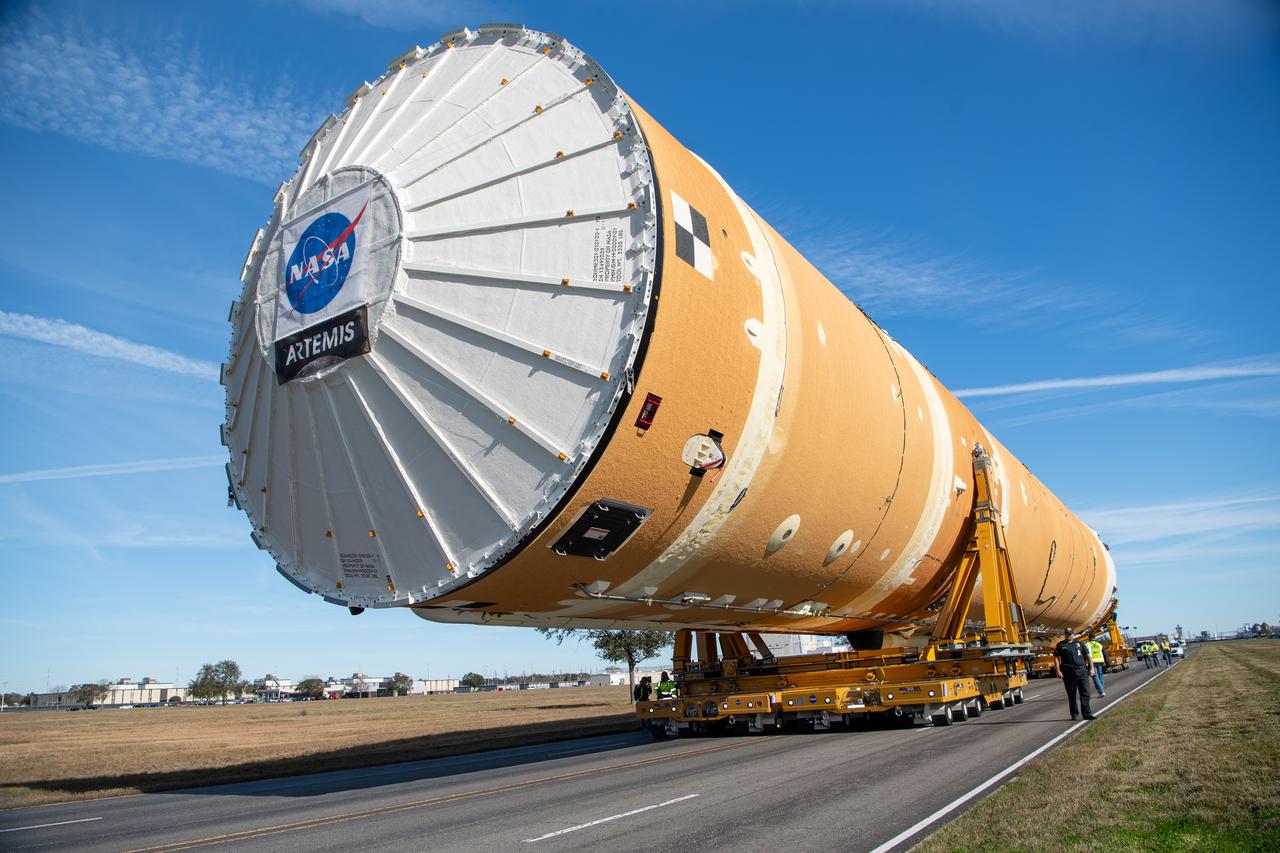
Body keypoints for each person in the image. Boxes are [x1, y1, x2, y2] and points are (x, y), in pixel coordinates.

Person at [1053, 628, 1095, 721]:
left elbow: (1088, 656)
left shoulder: (1079, 644)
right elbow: (1056, 658)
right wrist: (1058, 671)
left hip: (1081, 670)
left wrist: (1092, 669)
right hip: (1068, 672)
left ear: (1073, 634)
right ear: (1065, 635)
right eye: (1067, 634)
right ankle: (1074, 714)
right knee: (1071, 694)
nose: (1069, 636)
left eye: (1070, 634)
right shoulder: (1061, 645)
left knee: (1085, 693)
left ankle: (1087, 714)